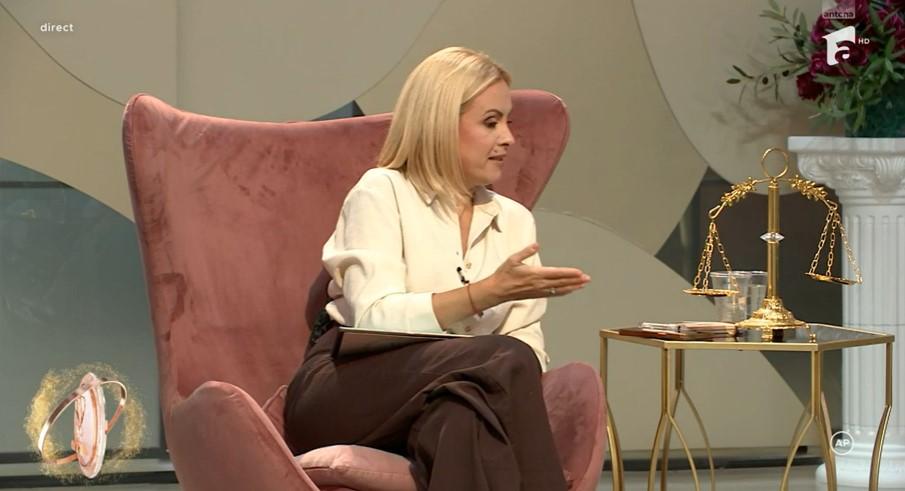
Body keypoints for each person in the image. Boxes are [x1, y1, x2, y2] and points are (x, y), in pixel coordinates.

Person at [284, 46, 591, 491]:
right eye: (491, 122)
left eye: (508, 122)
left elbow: (528, 344)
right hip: (346, 388)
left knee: (462, 415)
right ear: (441, 123)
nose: (508, 138)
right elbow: (374, 317)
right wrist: (485, 293)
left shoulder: (514, 221)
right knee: (503, 356)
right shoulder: (382, 192)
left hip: (448, 396)